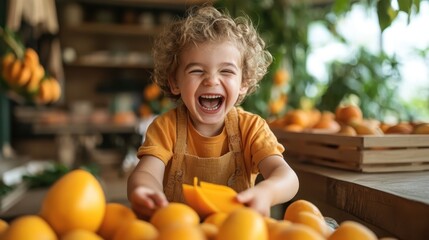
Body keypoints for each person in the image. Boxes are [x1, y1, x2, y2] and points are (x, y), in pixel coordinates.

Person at [127, 5, 299, 220]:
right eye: (197, 71)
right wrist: (144, 190)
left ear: (243, 82)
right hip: (179, 232)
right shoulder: (166, 127)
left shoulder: (252, 128)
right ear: (175, 82)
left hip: (236, 232)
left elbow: (287, 176)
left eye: (226, 71)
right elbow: (146, 172)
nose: (211, 80)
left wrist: (267, 192)